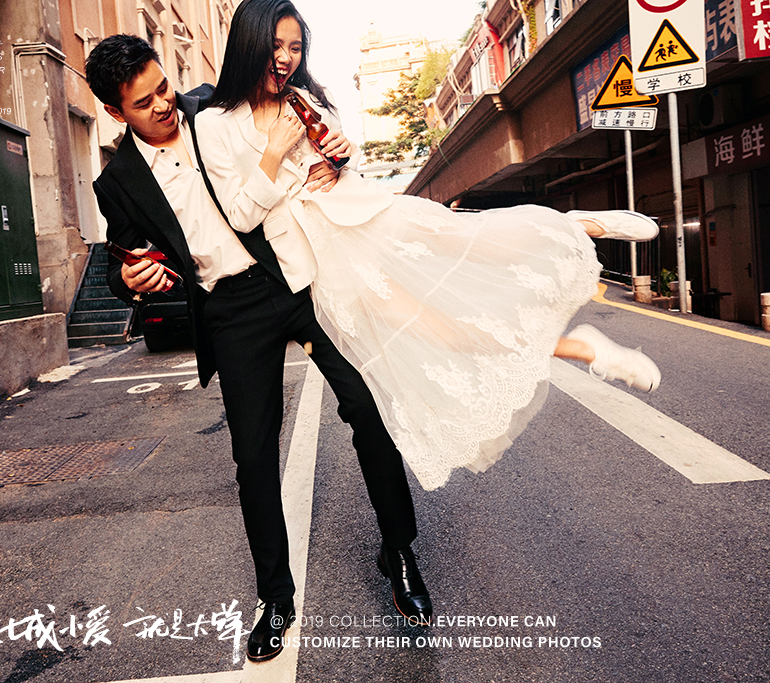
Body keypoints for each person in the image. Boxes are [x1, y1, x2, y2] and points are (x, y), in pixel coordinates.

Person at [194, 0, 662, 490]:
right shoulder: (214, 123)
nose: (286, 58)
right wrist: (273, 152)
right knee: (449, 333)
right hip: (325, 264)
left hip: (363, 216)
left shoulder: (303, 99)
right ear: (249, 43)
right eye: (276, 46)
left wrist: (342, 157)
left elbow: (339, 163)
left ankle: (573, 226)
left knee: (465, 241)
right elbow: (241, 216)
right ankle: (585, 350)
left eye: (294, 47)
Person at [84, 34, 431, 665]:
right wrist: (130, 278)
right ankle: (275, 597)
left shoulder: (215, 106)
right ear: (115, 112)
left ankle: (398, 550)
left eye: (164, 88)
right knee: (253, 456)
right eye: (144, 102)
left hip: (296, 277)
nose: (164, 105)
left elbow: (297, 127)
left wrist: (336, 154)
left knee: (368, 407)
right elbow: (120, 256)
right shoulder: (118, 182)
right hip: (229, 309)